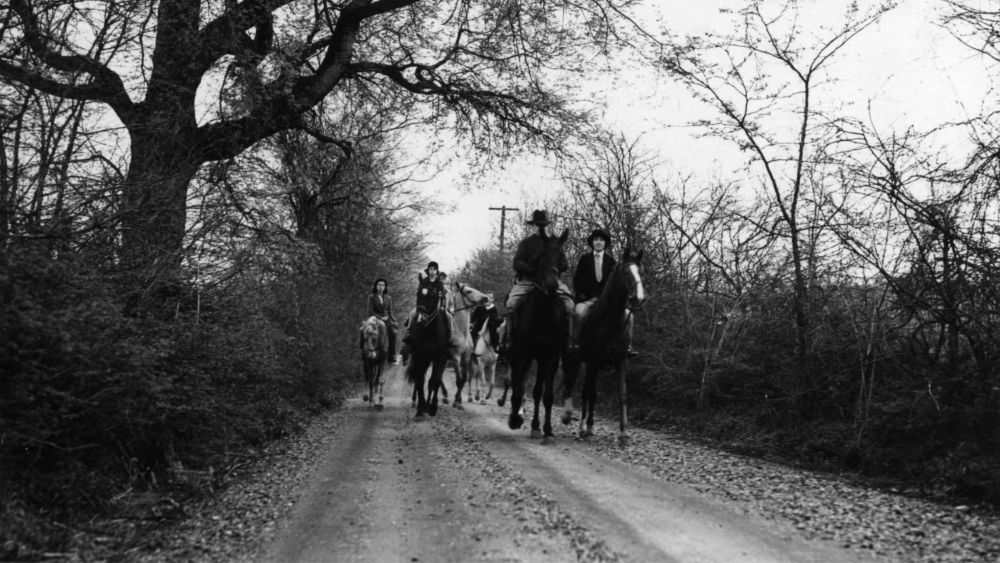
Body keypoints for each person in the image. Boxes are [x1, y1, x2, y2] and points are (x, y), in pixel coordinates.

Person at [498, 210, 575, 354]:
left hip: (552, 280)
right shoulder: (526, 243)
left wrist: (552, 270)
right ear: (532, 226)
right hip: (528, 281)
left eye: (543, 225)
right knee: (511, 304)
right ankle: (507, 340)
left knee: (570, 306)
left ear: (547, 226)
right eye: (537, 225)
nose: (540, 227)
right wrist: (533, 269)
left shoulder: (554, 242)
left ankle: (570, 342)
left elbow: (564, 264)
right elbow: (517, 263)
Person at [572, 228, 637, 358]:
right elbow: (577, 279)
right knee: (579, 314)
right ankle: (575, 343)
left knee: (629, 317)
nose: (598, 242)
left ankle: (627, 346)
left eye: (601, 240)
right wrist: (581, 295)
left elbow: (615, 284)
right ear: (592, 243)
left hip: (607, 302)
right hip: (587, 299)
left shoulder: (611, 262)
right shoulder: (584, 259)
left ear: (605, 243)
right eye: (596, 240)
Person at [401, 261, 455, 346]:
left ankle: (450, 335)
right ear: (428, 270)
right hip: (423, 305)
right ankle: (409, 333)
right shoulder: (424, 281)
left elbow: (441, 296)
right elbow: (420, 294)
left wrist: (441, 306)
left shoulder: (439, 283)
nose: (432, 271)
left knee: (449, 316)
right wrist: (418, 306)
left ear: (437, 271)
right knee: (412, 313)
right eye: (431, 269)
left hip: (435, 306)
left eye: (434, 269)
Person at [364, 278, 398, 363]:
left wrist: (394, 320)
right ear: (376, 286)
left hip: (386, 321)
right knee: (363, 331)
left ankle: (391, 356)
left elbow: (390, 312)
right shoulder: (371, 297)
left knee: (393, 333)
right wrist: (381, 318)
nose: (381, 287)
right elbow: (370, 311)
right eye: (379, 285)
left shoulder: (388, 298)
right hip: (374, 319)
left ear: (385, 287)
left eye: (383, 285)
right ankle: (363, 352)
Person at [470, 293, 499, 358]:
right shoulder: (480, 307)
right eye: (487, 297)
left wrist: (492, 318)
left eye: (491, 297)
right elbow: (474, 316)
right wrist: (471, 322)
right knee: (473, 334)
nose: (489, 299)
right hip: (479, 325)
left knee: (495, 333)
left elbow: (495, 317)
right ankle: (472, 350)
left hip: (489, 326)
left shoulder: (493, 308)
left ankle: (495, 347)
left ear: (493, 299)